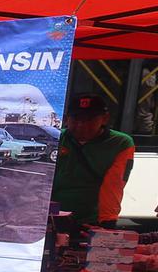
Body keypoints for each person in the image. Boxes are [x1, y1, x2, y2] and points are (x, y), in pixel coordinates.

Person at [51, 93, 135, 228]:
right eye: (76, 119)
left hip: (90, 220)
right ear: (66, 119)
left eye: (89, 120)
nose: (81, 125)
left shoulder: (121, 144)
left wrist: (107, 222)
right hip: (51, 216)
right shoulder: (54, 139)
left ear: (105, 119)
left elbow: (114, 184)